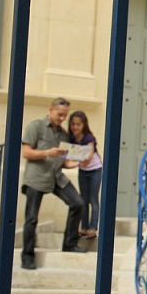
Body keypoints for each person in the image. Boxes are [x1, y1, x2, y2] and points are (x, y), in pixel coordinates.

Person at [20, 97, 87, 270]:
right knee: (32, 218)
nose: (62, 118)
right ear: (51, 110)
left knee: (78, 203)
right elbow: (26, 153)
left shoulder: (64, 134)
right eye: (59, 114)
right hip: (37, 177)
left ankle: (70, 244)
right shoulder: (36, 127)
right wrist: (47, 152)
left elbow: (63, 160)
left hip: (57, 176)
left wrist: (78, 163)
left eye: (65, 115)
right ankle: (27, 257)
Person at [69, 111, 102, 239]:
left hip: (95, 170)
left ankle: (93, 228)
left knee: (93, 199)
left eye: (78, 124)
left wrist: (76, 159)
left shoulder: (88, 138)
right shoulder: (72, 139)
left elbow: (88, 156)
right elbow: (67, 152)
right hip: (83, 171)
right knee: (83, 199)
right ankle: (84, 227)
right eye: (73, 124)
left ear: (84, 125)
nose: (75, 127)